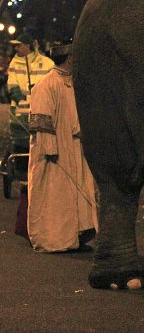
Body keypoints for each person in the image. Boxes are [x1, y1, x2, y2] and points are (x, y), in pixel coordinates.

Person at [27, 42, 98, 252]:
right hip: (55, 153)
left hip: (75, 147)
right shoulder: (46, 85)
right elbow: (41, 121)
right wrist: (50, 149)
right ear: (69, 59)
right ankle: (54, 239)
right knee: (55, 197)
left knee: (76, 194)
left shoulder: (73, 84)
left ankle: (76, 235)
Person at [6, 33, 54, 153]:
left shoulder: (48, 63)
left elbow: (53, 87)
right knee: (20, 153)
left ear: (27, 46)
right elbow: (12, 86)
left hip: (41, 117)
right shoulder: (14, 63)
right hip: (19, 118)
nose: (15, 48)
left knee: (41, 153)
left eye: (18, 45)